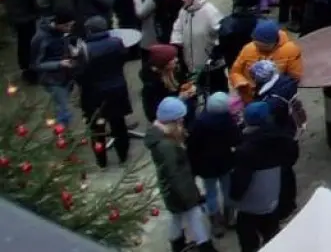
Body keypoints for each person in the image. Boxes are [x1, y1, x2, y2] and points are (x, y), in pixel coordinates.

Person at [147, 96, 215, 252]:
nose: (182, 123)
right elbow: (175, 174)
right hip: (181, 190)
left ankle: (177, 244)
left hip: (171, 190)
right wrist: (190, 197)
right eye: (180, 120)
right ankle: (206, 247)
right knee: (195, 216)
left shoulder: (160, 138)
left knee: (176, 217)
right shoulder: (167, 146)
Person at [228, 101, 297, 252]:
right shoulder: (283, 139)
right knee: (273, 237)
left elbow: (240, 182)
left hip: (251, 207)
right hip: (273, 199)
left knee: (248, 242)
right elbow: (291, 160)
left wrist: (232, 199)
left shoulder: (245, 150)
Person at [76, 15, 133, 167]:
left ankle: (102, 160)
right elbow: (122, 59)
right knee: (119, 124)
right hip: (117, 90)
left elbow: (80, 74)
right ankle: (123, 154)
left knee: (97, 129)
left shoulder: (84, 49)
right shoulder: (116, 43)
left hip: (94, 95)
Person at [187, 92, 241, 236]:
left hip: (206, 166)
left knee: (211, 192)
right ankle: (230, 217)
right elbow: (236, 139)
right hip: (225, 161)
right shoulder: (228, 121)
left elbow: (192, 146)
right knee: (227, 189)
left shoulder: (199, 123)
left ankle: (216, 222)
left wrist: (193, 165)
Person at [229, 20, 304, 101]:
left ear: (274, 42)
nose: (259, 49)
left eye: (264, 47)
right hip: (249, 97)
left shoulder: (290, 50)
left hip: (274, 98)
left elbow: (294, 77)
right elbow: (235, 72)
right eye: (256, 45)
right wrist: (241, 83)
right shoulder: (248, 48)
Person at [4, 0, 43, 82]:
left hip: (26, 14)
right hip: (22, 17)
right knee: (26, 44)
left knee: (27, 42)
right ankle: (28, 71)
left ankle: (29, 67)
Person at [31, 13, 76, 126]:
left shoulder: (63, 33)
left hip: (66, 75)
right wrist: (59, 64)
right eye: (66, 26)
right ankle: (63, 137)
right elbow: (36, 65)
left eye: (71, 25)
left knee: (63, 105)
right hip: (52, 79)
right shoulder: (40, 38)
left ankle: (65, 134)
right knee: (63, 109)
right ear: (57, 24)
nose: (69, 29)